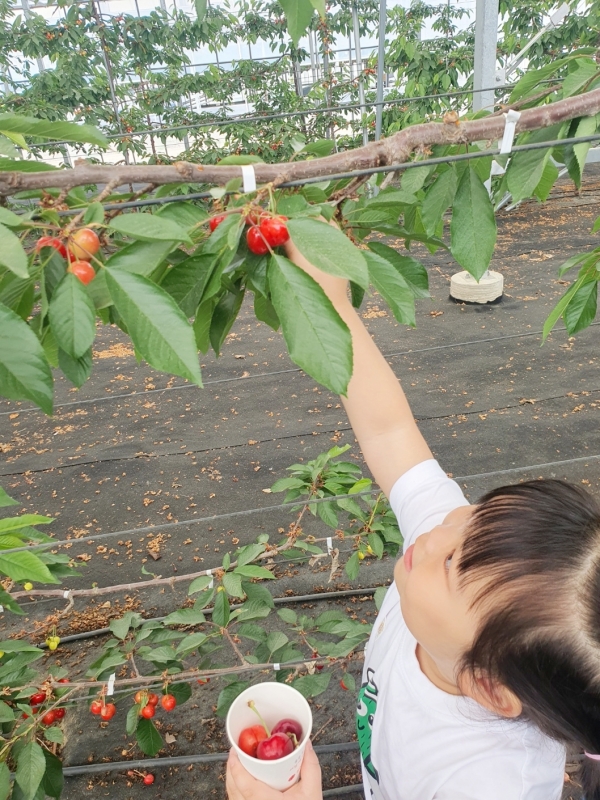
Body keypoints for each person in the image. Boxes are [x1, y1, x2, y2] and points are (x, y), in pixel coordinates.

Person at [226, 230, 600, 800]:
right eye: (473, 517)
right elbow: (391, 431)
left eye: (452, 561)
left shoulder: (489, 784)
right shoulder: (456, 576)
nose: (439, 531)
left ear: (489, 688)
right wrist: (331, 303)